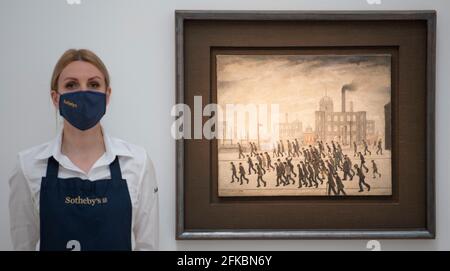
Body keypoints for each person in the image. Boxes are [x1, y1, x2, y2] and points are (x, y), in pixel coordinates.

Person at [8, 49, 159, 251]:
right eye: (71, 85)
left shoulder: (137, 162)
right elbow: (22, 246)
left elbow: (148, 246)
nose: (83, 93)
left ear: (107, 96)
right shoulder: (28, 166)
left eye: (94, 84)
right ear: (56, 98)